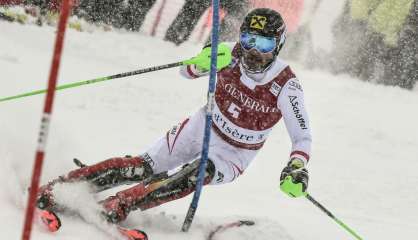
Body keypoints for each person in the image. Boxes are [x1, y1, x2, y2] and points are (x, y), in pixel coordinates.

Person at [37, 8, 312, 226]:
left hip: (235, 152)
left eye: (264, 44)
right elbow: (187, 72)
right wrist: (202, 62)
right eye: (249, 40)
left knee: (196, 174)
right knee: (142, 167)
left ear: (278, 45)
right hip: (203, 126)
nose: (253, 51)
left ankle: (122, 203)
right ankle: (65, 186)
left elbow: (302, 136)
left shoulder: (286, 85)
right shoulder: (228, 52)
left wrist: (296, 167)